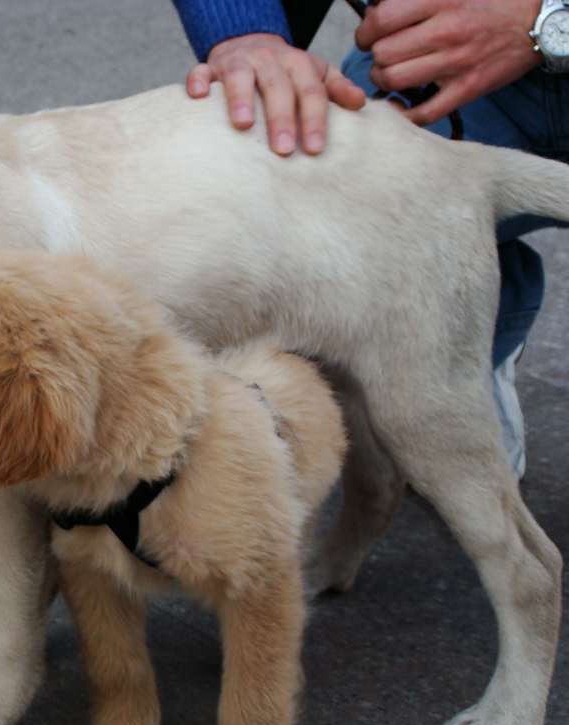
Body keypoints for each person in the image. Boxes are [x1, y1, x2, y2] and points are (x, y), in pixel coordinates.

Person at [173, 0, 564, 477]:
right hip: (449, 62)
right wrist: (245, 33)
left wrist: (546, 20)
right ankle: (474, 335)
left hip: (526, 25)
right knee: (300, 215)